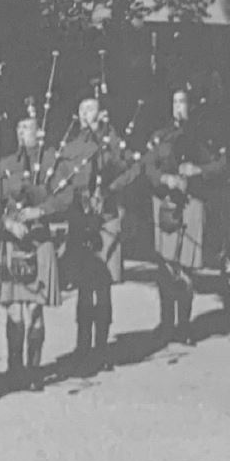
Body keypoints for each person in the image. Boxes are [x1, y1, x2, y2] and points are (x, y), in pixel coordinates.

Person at [0, 113, 74, 388]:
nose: (22, 132)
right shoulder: (6, 164)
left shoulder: (52, 162)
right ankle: (14, 369)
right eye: (19, 127)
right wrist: (8, 224)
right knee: (14, 310)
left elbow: (66, 197)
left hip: (39, 242)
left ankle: (34, 369)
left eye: (28, 127)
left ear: (40, 132)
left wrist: (41, 210)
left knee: (35, 310)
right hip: (13, 242)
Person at [145, 87, 228, 345]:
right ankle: (166, 323)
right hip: (166, 202)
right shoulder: (160, 136)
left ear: (191, 106)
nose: (178, 107)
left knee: (187, 267)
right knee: (166, 265)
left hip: (193, 202)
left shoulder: (205, 135)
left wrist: (197, 170)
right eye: (174, 102)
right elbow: (147, 166)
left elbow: (222, 165)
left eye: (182, 102)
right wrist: (164, 178)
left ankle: (184, 325)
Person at [59, 96, 128, 369]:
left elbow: (129, 168)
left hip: (107, 217)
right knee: (84, 286)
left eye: (93, 110)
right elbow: (63, 176)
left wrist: (111, 189)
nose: (89, 114)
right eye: (84, 109)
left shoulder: (112, 140)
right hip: (81, 220)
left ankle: (102, 347)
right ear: (78, 114)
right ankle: (82, 345)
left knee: (105, 285)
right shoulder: (73, 145)